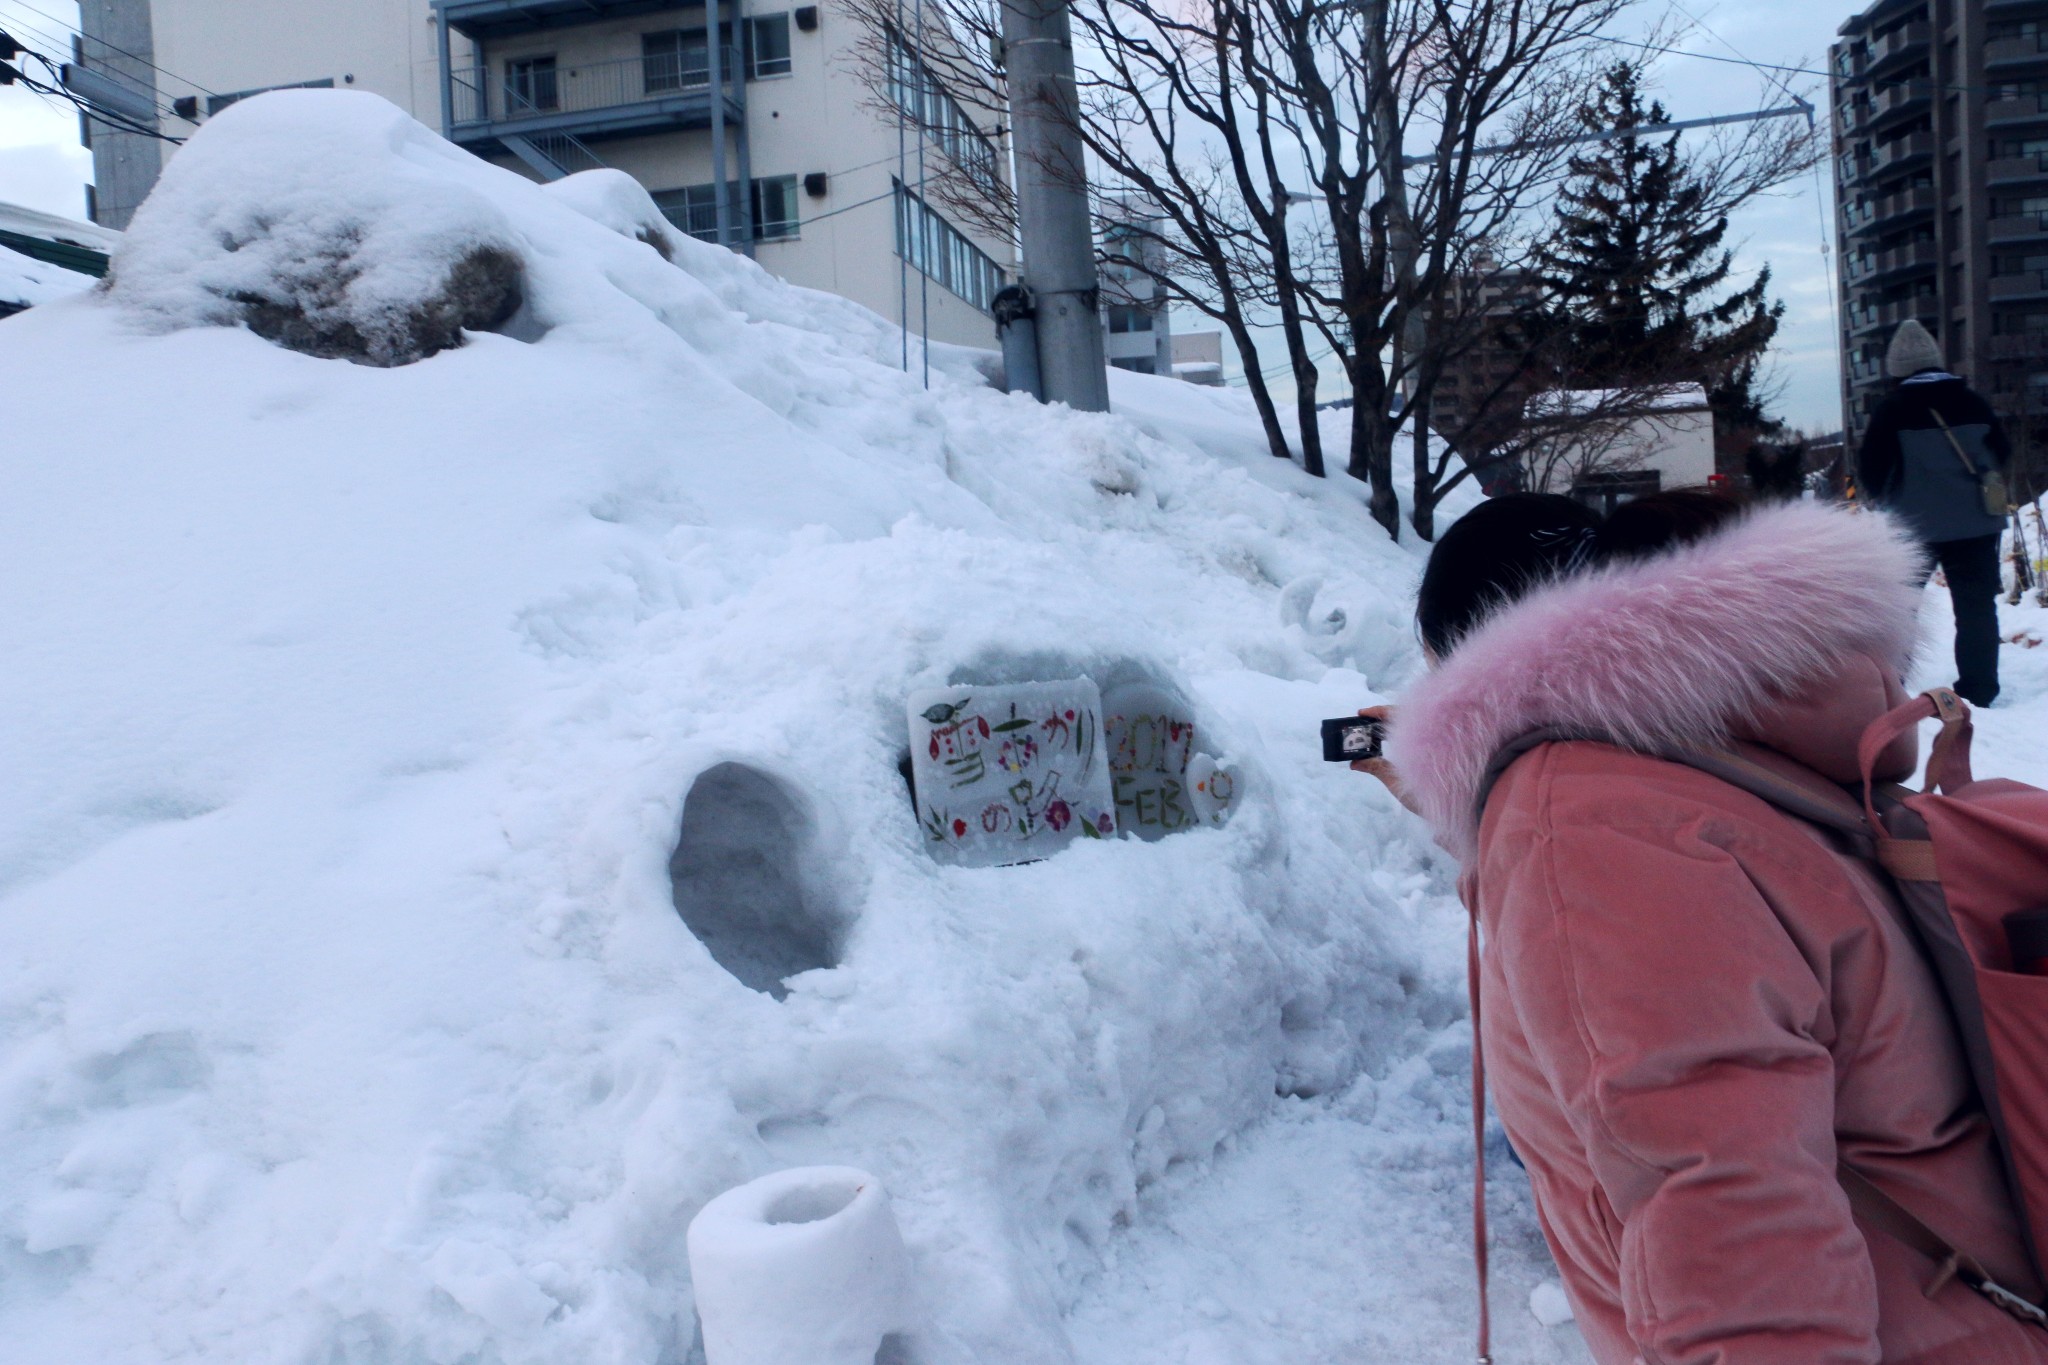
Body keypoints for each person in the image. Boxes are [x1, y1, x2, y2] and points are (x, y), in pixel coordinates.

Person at [1365, 491, 2048, 1365]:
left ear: (1462, 655)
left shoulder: (1584, 826)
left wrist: (1515, 814)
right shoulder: (1710, 760)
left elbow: (1730, 1216)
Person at [1858, 319, 2011, 706]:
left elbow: (1873, 474)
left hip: (1914, 528)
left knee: (1902, 608)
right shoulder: (1973, 402)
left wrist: (1896, 496)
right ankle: (1979, 689)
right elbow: (2001, 455)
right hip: (1976, 523)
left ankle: (1894, 684)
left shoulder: (1891, 412)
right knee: (1976, 608)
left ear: (1898, 369)